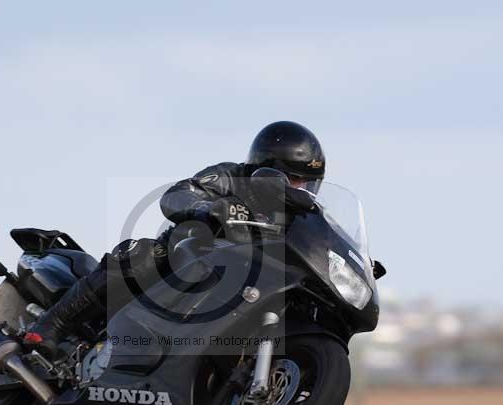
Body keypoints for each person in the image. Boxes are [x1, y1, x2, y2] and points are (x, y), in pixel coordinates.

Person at [24, 120, 326, 355]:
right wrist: (209, 208)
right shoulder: (230, 176)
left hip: (243, 287)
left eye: (307, 182)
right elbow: (177, 195)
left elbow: (319, 242)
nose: (300, 189)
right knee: (140, 255)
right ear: (267, 168)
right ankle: (52, 324)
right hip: (187, 258)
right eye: (294, 179)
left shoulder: (302, 215)